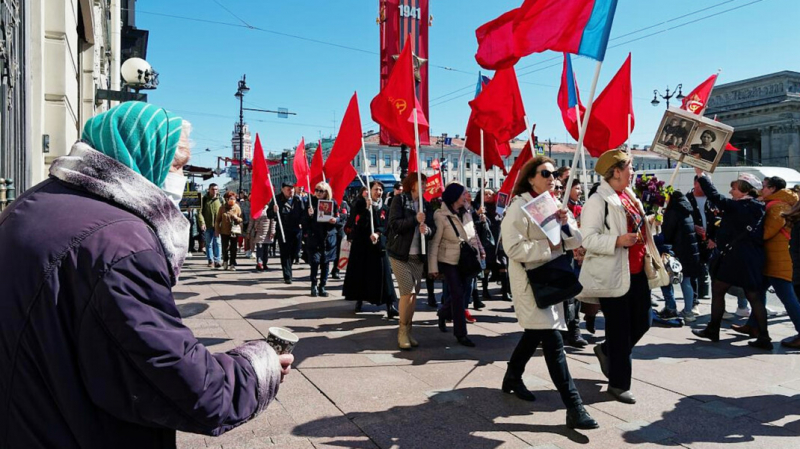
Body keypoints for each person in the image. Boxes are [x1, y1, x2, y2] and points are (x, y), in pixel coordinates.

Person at [0, 102, 292, 448]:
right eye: (176, 165)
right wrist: (258, 365)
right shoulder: (121, 244)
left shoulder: (34, 201)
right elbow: (187, 386)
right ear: (140, 156)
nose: (179, 179)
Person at [500, 156, 598, 430]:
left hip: (553, 279)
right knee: (553, 341)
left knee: (535, 333)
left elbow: (575, 241)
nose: (552, 178)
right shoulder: (518, 208)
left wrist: (566, 223)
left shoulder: (553, 204)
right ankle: (574, 407)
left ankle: (512, 377)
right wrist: (549, 246)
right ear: (531, 177)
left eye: (554, 173)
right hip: (531, 283)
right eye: (546, 173)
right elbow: (513, 248)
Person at [579, 150, 666, 404]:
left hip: (637, 271)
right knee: (620, 330)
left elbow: (638, 227)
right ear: (616, 172)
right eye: (630, 167)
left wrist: (652, 221)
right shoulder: (598, 200)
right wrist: (617, 241)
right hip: (613, 274)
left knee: (644, 322)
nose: (633, 172)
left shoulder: (629, 196)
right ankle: (618, 384)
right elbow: (588, 239)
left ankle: (606, 351)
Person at [691, 170, 772, 349]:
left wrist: (701, 174)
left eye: (734, 188)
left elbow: (713, 195)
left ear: (744, 190)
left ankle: (713, 329)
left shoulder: (738, 206)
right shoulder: (758, 207)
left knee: (719, 290)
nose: (731, 192)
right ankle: (764, 337)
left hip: (735, 257)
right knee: (754, 296)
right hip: (752, 257)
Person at [734, 176, 800, 347]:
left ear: (772, 189)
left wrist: (748, 234)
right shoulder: (776, 203)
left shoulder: (778, 206)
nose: (761, 189)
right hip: (770, 258)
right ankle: (753, 326)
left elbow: (766, 233)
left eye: (764, 187)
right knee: (757, 292)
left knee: (787, 297)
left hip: (779, 260)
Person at [429, 182, 485, 347]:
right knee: (458, 294)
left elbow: (473, 235)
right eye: (463, 193)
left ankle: (442, 312)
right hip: (448, 260)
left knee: (459, 293)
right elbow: (435, 242)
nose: (466, 196)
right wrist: (433, 268)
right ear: (455, 197)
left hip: (465, 259)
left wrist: (480, 250)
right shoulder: (440, 215)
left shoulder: (467, 212)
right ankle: (461, 334)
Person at [387, 173, 434, 349]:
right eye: (420, 182)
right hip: (400, 253)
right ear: (411, 184)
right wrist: (414, 220)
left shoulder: (426, 205)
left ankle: (408, 330)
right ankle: (401, 332)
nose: (423, 185)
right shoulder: (399, 200)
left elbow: (432, 229)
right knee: (407, 291)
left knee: (414, 295)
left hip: (418, 255)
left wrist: (426, 230)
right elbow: (394, 224)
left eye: (425, 183)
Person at [343, 181, 399, 318]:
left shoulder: (385, 207)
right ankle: (359, 300)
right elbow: (357, 224)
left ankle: (390, 304)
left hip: (379, 245)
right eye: (375, 189)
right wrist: (367, 210)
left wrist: (378, 234)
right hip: (362, 245)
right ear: (369, 191)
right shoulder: (360, 206)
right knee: (361, 273)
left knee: (384, 275)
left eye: (380, 190)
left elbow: (387, 226)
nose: (378, 192)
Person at [661, 190, 701, 321]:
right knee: (687, 280)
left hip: (679, 250)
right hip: (690, 250)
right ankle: (688, 311)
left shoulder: (673, 211)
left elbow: (668, 232)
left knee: (673, 280)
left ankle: (673, 307)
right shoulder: (686, 210)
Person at [304, 182, 340, 297]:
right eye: (316, 190)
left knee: (326, 263)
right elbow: (303, 221)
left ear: (326, 192)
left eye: (321, 191)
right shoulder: (310, 202)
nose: (318, 193)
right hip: (315, 237)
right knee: (314, 262)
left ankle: (322, 286)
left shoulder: (333, 203)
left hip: (328, 238)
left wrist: (335, 220)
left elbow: (340, 218)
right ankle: (313, 285)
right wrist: (308, 215)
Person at [268, 183, 305, 284]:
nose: (291, 191)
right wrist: (274, 211)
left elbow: (303, 213)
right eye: (288, 189)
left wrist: (302, 222)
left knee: (295, 252)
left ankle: (289, 267)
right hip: (283, 230)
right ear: (283, 189)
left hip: (296, 229)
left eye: (292, 189)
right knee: (285, 253)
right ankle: (287, 275)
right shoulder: (277, 199)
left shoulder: (297, 199)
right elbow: (269, 214)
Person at [216, 191, 244, 270]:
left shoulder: (237, 207)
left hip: (234, 231)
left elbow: (241, 219)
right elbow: (218, 220)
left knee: (233, 248)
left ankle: (232, 263)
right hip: (224, 231)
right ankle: (225, 261)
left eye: (234, 198)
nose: (232, 200)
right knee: (225, 248)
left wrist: (236, 218)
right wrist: (217, 230)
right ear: (226, 199)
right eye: (230, 198)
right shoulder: (222, 208)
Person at [198, 183, 223, 268]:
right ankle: (210, 260)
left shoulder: (220, 199)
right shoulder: (204, 199)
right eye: (212, 189)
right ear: (209, 189)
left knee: (218, 243)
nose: (214, 191)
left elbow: (224, 212)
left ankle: (218, 260)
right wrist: (202, 223)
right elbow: (199, 212)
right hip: (208, 225)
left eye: (216, 189)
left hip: (217, 226)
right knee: (209, 243)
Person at [251, 201, 277, 271]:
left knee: (266, 250)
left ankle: (265, 263)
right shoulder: (257, 210)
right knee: (259, 249)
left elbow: (273, 222)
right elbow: (252, 221)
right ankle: (259, 263)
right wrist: (249, 231)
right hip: (259, 232)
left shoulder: (269, 210)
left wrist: (272, 231)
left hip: (267, 233)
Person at [330, 199, 349, 279]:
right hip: (330, 229)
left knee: (339, 251)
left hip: (340, 229)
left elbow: (346, 216)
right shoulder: (328, 202)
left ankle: (336, 270)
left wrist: (338, 217)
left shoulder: (344, 203)